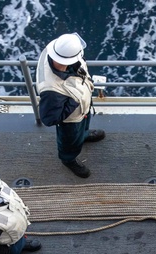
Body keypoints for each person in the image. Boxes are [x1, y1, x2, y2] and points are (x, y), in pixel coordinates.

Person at [36, 33, 105, 178]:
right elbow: (49, 119)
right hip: (70, 121)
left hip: (82, 108)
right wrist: (73, 103)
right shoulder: (51, 91)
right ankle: (68, 159)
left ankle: (84, 135)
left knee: (83, 125)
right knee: (69, 141)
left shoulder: (56, 51)